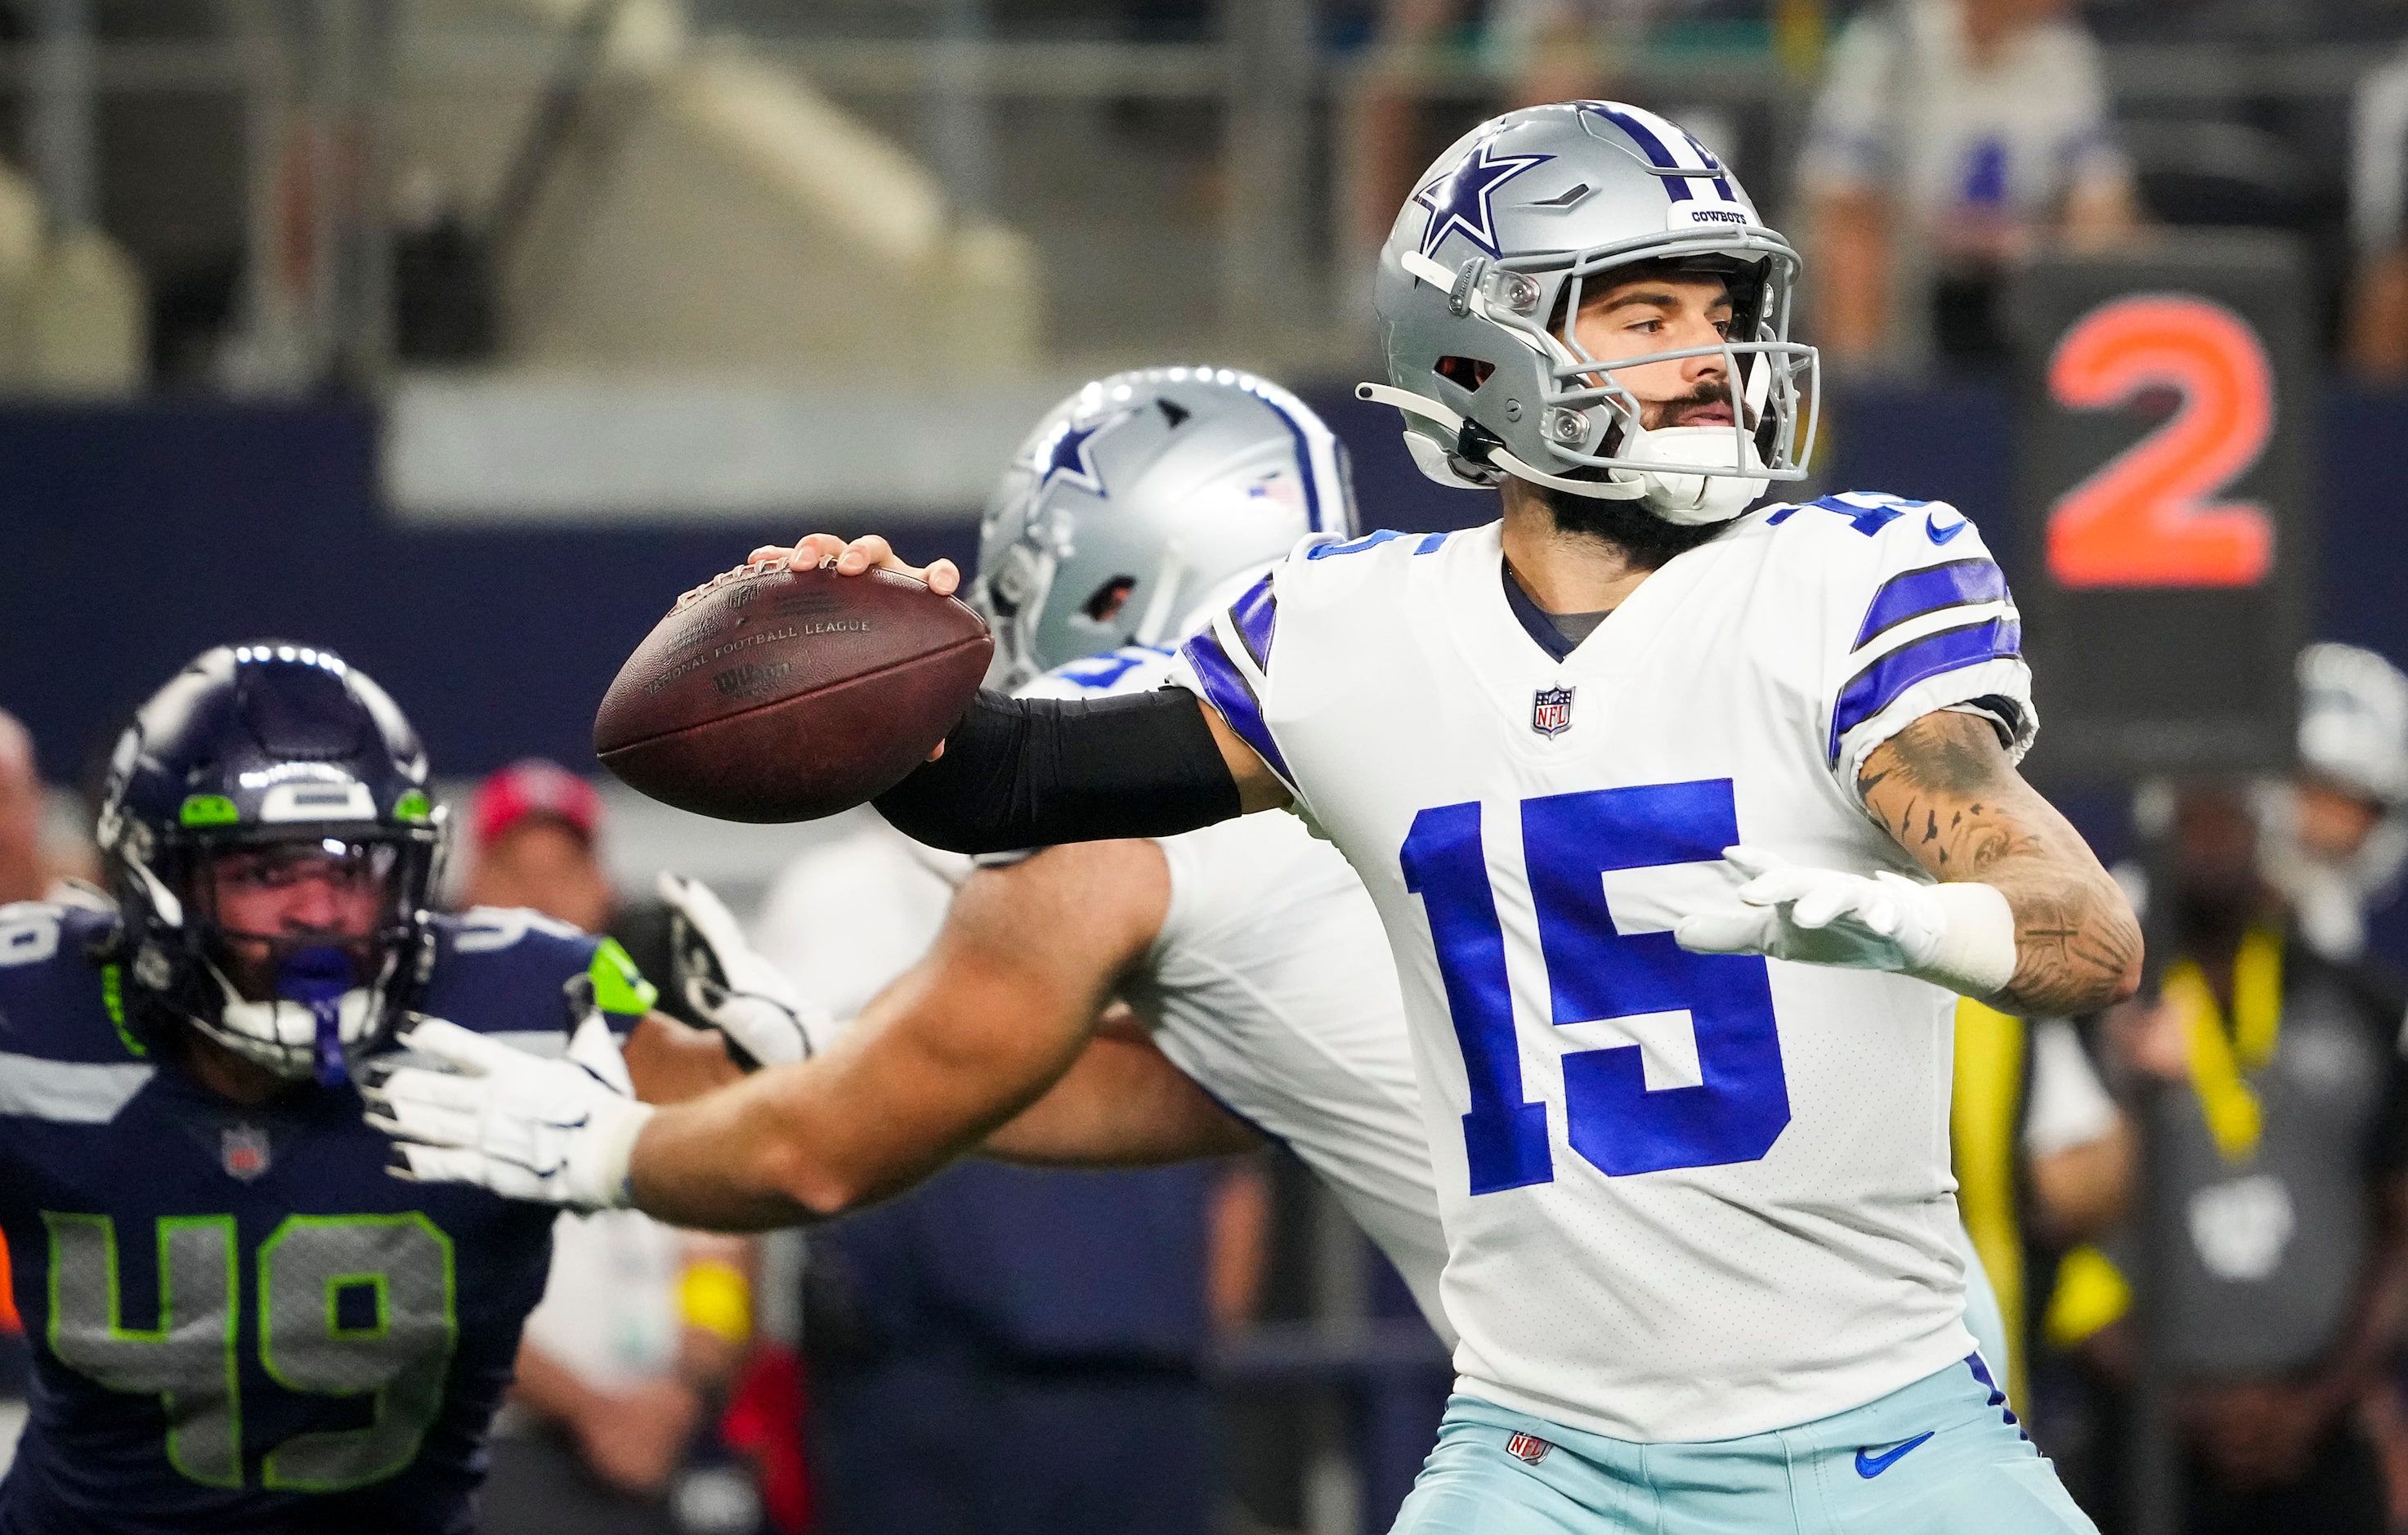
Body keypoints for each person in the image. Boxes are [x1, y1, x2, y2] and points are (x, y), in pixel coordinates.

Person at [386, 100, 2144, 1533]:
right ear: (1484, 353)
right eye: (1642, 312)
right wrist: (870, 692)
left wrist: (1909, 917)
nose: (1710, 361)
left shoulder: (1852, 575)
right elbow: (1011, 787)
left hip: (1882, 1432)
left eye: (1718, 313)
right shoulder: (1346, 640)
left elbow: (2081, 928)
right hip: (1548, 1458)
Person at [370, 369, 1452, 1534]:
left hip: (1594, 1421)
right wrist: (836, 1056)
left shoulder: (1127, 815)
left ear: (1109, 583)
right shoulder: (1447, 717)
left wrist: (609, 1150)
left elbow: (814, 1160)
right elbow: (1206, 1091)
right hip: (1604, 1377)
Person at [0, 642, 741, 1533]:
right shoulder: (34, 1007)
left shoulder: (536, 998)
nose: (319, 914)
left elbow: (789, 1148)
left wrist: (786, 1069)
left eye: (351, 867)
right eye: (265, 870)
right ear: (157, 883)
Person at [2084, 783, 2408, 1535]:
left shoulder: (2359, 1002)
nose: (2212, 840)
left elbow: (2399, 1225)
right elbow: (2053, 1228)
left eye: (2230, 819)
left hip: (2323, 1434)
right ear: (2150, 841)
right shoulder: (2085, 1015)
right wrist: (2172, 1401)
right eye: (2191, 821)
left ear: (2268, 836)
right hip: (2140, 1440)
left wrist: (2326, 1397)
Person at [457, 760, 768, 1535]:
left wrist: (688, 1381)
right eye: (514, 870)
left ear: (606, 891)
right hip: (503, 1445)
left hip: (673, 1436)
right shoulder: (430, 1065)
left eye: (566, 869)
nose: (542, 895)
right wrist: (590, 1409)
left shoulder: (664, 1055)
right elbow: (431, 1281)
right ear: (468, 898)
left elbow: (719, 1239)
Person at [1796, 0, 2140, 368]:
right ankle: (1858, 397)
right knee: (1850, 240)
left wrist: (2041, 237)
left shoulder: (2063, 51)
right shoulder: (1894, 38)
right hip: (1907, 240)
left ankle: (2075, 405)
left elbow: (2103, 191)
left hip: (2026, 246)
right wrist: (1933, 229)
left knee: (2115, 242)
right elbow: (1838, 182)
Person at [2255, 642, 2408, 964]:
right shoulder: (2148, 914)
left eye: (2358, 805)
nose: (2333, 822)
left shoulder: (2365, 995)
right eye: (2318, 791)